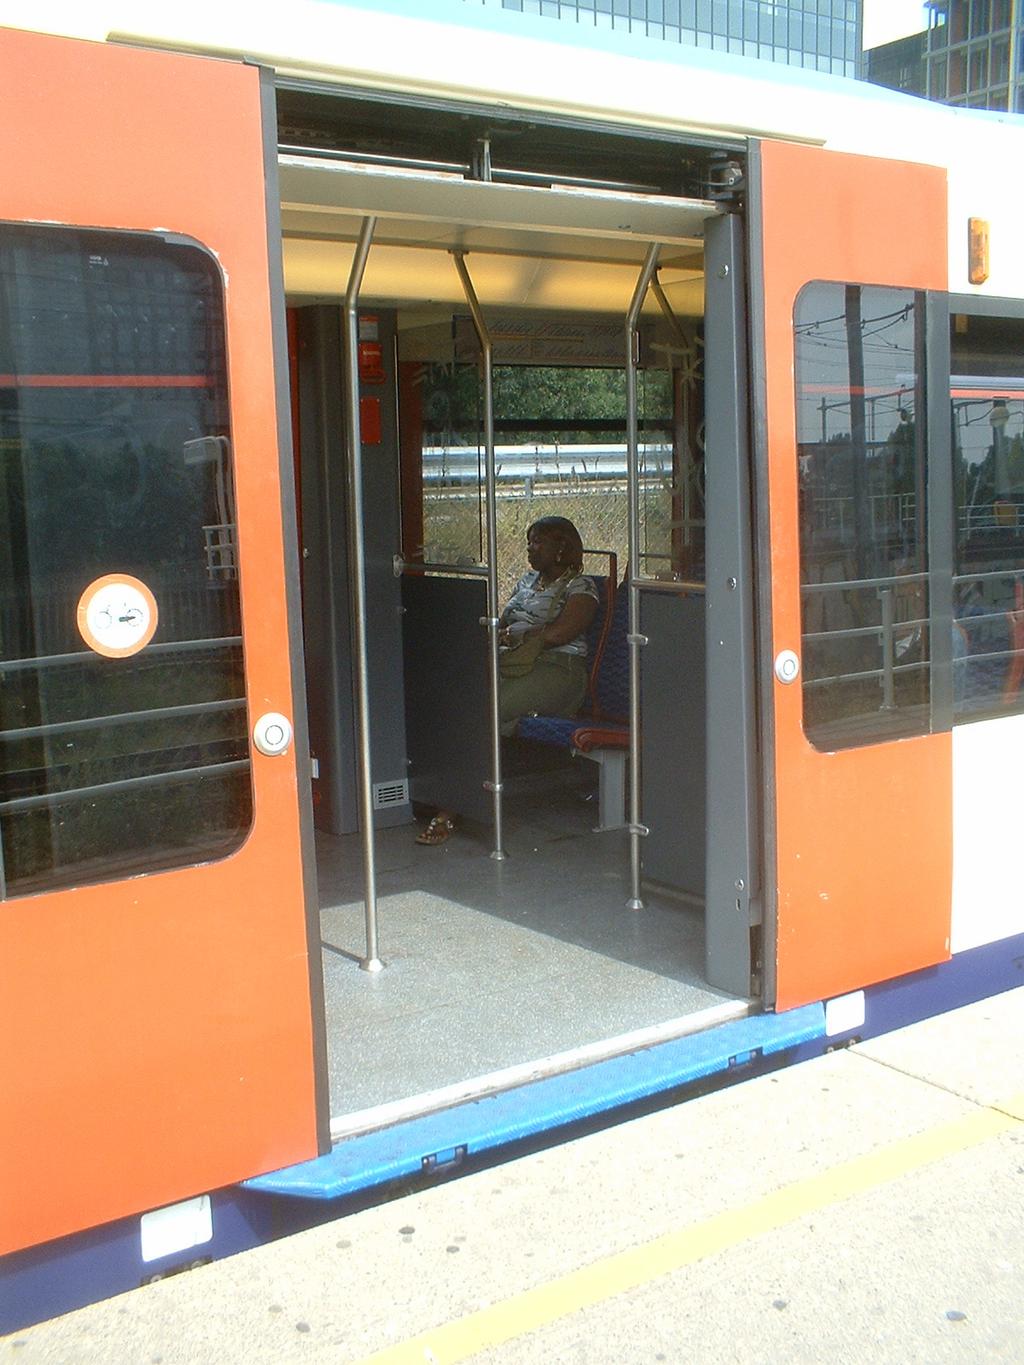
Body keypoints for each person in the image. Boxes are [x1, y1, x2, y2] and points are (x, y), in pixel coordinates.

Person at [416, 516, 599, 845]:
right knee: (455, 697)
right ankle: (442, 791)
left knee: (485, 709)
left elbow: (562, 632)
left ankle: (452, 809)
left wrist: (521, 636)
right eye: (529, 541)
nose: (530, 548)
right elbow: (503, 622)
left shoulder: (580, 587)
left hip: (558, 670)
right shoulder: (527, 582)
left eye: (538, 542)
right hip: (515, 664)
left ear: (561, 548)